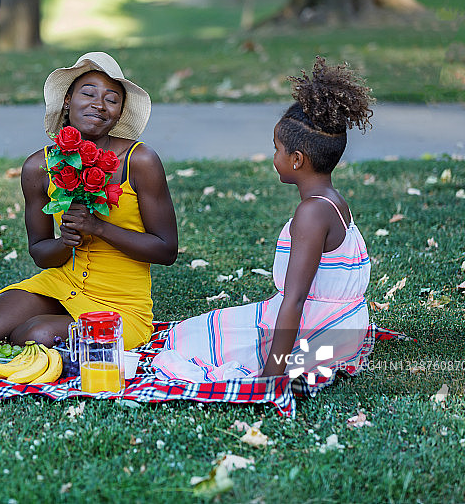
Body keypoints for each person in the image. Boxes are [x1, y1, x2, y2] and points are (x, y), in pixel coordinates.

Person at [152, 57, 374, 381]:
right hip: (343, 326)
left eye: (277, 149)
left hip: (319, 335)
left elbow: (295, 301)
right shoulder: (333, 201)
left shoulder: (311, 213)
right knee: (192, 332)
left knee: (182, 344)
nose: (274, 157)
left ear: (297, 160)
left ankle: (272, 364)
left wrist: (272, 376)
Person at [0, 52, 178, 350]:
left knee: (35, 335)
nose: (99, 104)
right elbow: (41, 253)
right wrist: (66, 242)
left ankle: (43, 326)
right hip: (59, 285)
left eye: (112, 99)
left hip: (121, 304)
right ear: (68, 100)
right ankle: (45, 320)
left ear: (119, 113)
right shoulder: (37, 167)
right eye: (88, 93)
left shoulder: (140, 161)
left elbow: (166, 250)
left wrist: (99, 228)